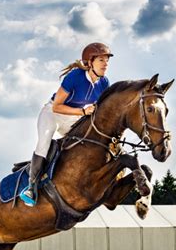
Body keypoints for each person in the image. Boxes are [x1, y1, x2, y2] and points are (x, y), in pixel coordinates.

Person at [19, 42, 113, 207]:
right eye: (101, 60)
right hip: (53, 114)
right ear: (90, 62)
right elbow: (57, 106)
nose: (106, 64)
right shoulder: (75, 77)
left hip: (73, 117)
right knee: (44, 143)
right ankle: (31, 186)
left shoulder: (104, 83)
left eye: (107, 60)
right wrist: (83, 112)